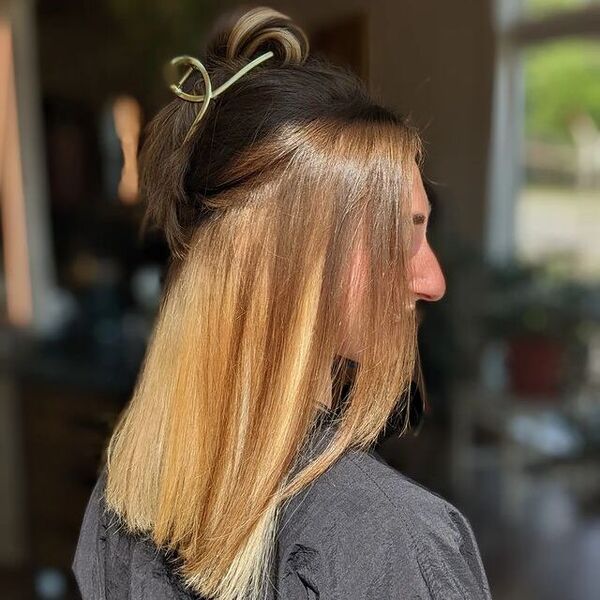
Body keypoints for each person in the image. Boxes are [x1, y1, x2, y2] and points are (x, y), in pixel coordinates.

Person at [72, 5, 492, 599]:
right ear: (296, 264)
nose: (432, 279)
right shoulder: (394, 545)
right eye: (402, 234)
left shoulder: (121, 494)